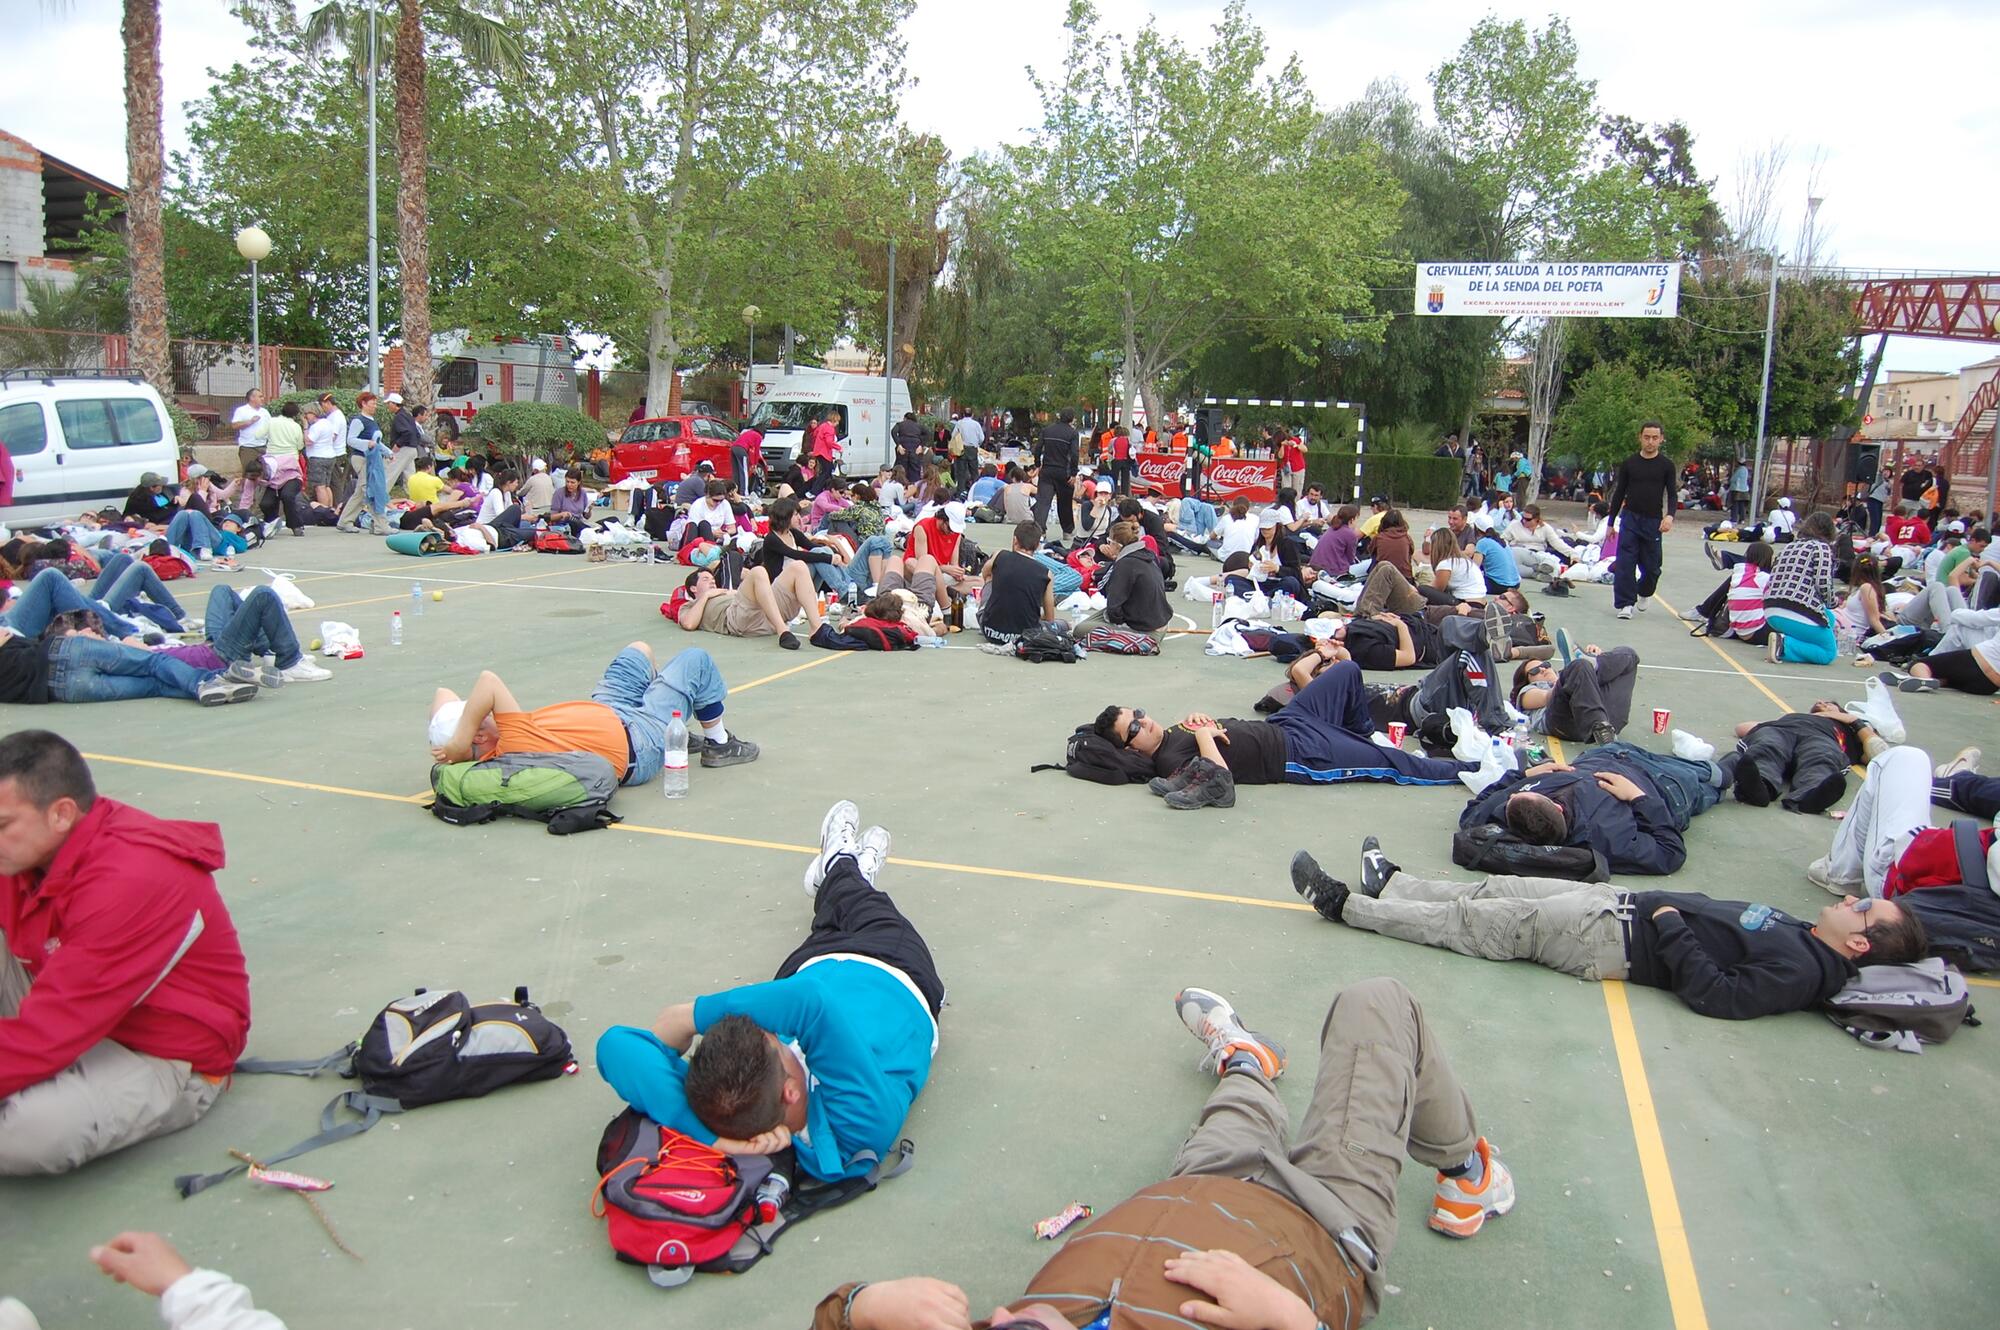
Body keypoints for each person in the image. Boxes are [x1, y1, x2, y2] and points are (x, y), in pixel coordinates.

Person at [814, 977, 1513, 1330]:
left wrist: (865, 1306)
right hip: (1327, 1224)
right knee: (1376, 1004)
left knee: (1240, 1102)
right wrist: (1286, 1318)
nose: (995, 1317)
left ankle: (1244, 1058)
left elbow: (833, 1314)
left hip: (1196, 1185)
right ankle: (1467, 1172)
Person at [598, 800, 941, 1181]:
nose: (778, 1035)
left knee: (829, 923)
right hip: (895, 971)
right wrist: (691, 1015)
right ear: (792, 1093)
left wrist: (709, 1137)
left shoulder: (725, 1101)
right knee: (866, 905)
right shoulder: (856, 1124)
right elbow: (807, 1005)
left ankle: (837, 878)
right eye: (777, 1044)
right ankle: (842, 865)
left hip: (810, 966)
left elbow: (614, 1045)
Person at [1289, 834, 1928, 1022]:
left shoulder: (1803, 970)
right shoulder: (1806, 939)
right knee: (1496, 887)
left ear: (1861, 943)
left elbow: (1718, 995)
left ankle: (1346, 905)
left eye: (1865, 910)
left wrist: (1671, 920)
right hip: (1615, 904)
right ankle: (1392, 883)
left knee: (1472, 922)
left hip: (1608, 937)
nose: (1854, 899)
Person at [0, 732, 251, 1174]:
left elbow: (47, 1036)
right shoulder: (30, 851)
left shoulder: (130, 879)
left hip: (163, 1054)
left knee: (34, 1132)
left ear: (61, 814)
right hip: (69, 999)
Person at [1093, 660, 1473, 810]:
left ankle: (1362, 737)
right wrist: (1205, 734)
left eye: (1139, 713)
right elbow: (1219, 781)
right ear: (1132, 749)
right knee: (1397, 765)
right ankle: (1470, 770)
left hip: (1286, 723)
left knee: (1346, 671)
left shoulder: (1170, 732)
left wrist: (1197, 720)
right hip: (1298, 754)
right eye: (1135, 728)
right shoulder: (1168, 761)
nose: (1145, 722)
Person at [427, 642, 759, 785]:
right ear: (479, 736)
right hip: (638, 742)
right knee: (695, 659)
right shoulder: (510, 742)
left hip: (611, 712)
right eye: (480, 716)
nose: (486, 712)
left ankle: (670, 723)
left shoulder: (494, 735)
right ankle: (718, 742)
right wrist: (458, 744)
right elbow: (487, 681)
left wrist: (455, 747)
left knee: (637, 651)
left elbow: (442, 694)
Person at [1459, 742, 1732, 876]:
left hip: (1604, 755)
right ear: (1554, 805)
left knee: (1706, 768)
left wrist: (1524, 774)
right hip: (1661, 785)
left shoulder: (1512, 810)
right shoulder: (1606, 839)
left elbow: (1472, 814)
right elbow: (1670, 854)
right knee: (1720, 777)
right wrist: (1638, 798)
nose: (1516, 793)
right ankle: (1744, 765)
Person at [1723, 703, 1881, 814]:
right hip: (1781, 731)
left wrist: (1853, 720)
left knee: (1821, 758)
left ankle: (1810, 798)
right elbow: (1742, 728)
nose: (1821, 702)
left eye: (1829, 704)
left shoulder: (1847, 730)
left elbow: (1878, 752)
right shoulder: (1794, 717)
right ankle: (1759, 788)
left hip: (1822, 738)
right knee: (1767, 746)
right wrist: (1772, 723)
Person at [669, 557, 826, 651]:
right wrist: (707, 596)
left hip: (765, 613)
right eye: (705, 579)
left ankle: (817, 629)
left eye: (712, 579)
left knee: (798, 566)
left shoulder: (725, 592)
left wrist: (728, 592)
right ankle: (782, 631)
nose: (711, 582)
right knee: (758, 571)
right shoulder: (690, 605)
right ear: (693, 588)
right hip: (738, 619)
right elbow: (689, 624)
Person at [1607, 420, 1677, 619]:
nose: (1650, 441)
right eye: (1647, 437)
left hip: (1653, 521)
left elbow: (1672, 494)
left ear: (1661, 439)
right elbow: (1619, 493)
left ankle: (1644, 592)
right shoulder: (1630, 463)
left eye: (1655, 438)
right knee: (1625, 563)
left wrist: (1670, 516)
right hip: (1630, 519)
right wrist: (1611, 523)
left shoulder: (1666, 466)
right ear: (1640, 437)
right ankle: (1625, 604)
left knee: (1653, 567)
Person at [1510, 644, 1638, 745]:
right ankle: (1600, 727)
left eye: (1545, 664)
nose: (1543, 669)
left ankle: (1596, 663)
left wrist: (1600, 658)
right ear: (1526, 680)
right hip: (1565, 724)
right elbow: (1547, 698)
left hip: (1609, 719)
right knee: (1579, 666)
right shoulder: (1527, 691)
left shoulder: (1570, 673)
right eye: (1534, 671)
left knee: (1629, 655)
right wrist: (1565, 680)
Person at [1763, 511, 1838, 665]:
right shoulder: (1821, 548)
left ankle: (1789, 642)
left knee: (1829, 618)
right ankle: (1784, 646)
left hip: (1771, 609)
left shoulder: (1789, 546)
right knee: (1828, 653)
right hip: (1797, 610)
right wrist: (1834, 601)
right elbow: (1823, 583)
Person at [980, 521, 1058, 644]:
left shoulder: (1000, 555)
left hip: (990, 630)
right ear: (1038, 545)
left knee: (990, 578)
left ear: (1015, 540)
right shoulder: (1046, 573)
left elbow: (985, 574)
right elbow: (1050, 618)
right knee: (1060, 624)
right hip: (1025, 637)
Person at [1099, 518, 1172, 634]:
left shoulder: (1124, 564)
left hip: (1143, 627)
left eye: (1109, 542)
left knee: (1081, 629)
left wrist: (1117, 621)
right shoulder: (1149, 555)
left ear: (1117, 545)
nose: (1108, 545)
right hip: (1161, 620)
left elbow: (1113, 606)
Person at [334, 391, 388, 534]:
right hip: (362, 458)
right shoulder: (359, 420)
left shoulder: (371, 421)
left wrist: (388, 452)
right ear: (363, 404)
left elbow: (377, 442)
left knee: (360, 492)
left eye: (376, 403)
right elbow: (351, 440)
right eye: (372, 403)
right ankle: (380, 525)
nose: (375, 406)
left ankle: (345, 521)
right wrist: (367, 444)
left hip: (371, 459)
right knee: (370, 490)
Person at [1032, 409, 1080, 540]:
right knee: (1064, 502)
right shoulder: (1073, 433)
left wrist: (1037, 464)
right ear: (1071, 419)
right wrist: (1074, 473)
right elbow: (1075, 454)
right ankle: (1067, 530)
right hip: (1064, 471)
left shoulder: (1047, 430)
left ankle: (1039, 530)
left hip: (1047, 469)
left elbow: (1038, 448)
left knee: (1043, 501)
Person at [1504, 505, 1578, 581]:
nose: (1524, 521)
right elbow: (1503, 540)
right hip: (1519, 551)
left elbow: (1558, 543)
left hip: (1537, 555)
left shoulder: (1545, 528)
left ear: (1536, 519)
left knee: (1551, 562)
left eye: (1528, 519)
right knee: (1511, 566)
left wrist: (1573, 554)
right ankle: (1536, 572)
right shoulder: (1514, 525)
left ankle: (1540, 571)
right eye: (1523, 518)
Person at [229, 388, 270, 509]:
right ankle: (247, 503)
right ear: (252, 398)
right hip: (248, 447)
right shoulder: (242, 410)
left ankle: (260, 503)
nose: (263, 399)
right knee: (250, 474)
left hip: (263, 446)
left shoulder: (265, 412)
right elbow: (234, 425)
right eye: (260, 396)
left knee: (263, 474)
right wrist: (250, 422)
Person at [303, 392, 345, 509]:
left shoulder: (319, 425)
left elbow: (308, 441)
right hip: (329, 456)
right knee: (327, 486)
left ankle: (324, 510)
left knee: (320, 486)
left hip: (319, 458)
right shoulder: (327, 422)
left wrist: (305, 427)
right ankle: (330, 508)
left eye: (307, 414)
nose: (305, 417)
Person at [892, 411, 928, 483]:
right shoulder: (919, 426)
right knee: (914, 472)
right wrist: (921, 445)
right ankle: (913, 489)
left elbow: (893, 432)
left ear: (905, 418)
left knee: (901, 471)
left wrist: (898, 445)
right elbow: (927, 433)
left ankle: (901, 487)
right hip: (915, 450)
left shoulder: (900, 424)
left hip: (903, 450)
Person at [1728, 457, 1752, 523]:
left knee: (1735, 505)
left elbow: (1733, 479)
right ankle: (1742, 519)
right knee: (1742, 505)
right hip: (1745, 490)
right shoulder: (1746, 470)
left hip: (1737, 490)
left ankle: (1734, 519)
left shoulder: (1739, 470)